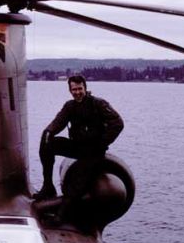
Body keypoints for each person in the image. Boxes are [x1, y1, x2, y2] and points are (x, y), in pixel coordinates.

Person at [33, 75, 124, 212]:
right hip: (77, 147)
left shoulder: (98, 104)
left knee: (77, 183)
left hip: (94, 151)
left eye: (79, 89)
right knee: (47, 142)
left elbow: (118, 123)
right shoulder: (70, 106)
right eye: (73, 89)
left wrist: (102, 142)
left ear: (85, 88)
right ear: (70, 90)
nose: (77, 92)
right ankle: (48, 186)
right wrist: (48, 132)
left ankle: (63, 211)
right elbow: (58, 123)